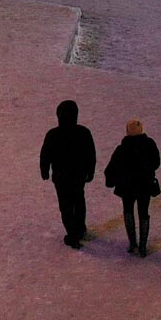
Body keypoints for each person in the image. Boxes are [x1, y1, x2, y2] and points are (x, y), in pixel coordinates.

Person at [39, 99, 97, 249]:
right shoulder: (83, 133)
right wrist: (90, 171)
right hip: (78, 176)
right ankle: (80, 228)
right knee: (78, 201)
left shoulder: (53, 135)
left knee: (65, 206)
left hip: (61, 177)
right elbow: (90, 154)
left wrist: (44, 170)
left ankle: (72, 234)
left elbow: (45, 154)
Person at [104, 120, 161, 257]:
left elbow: (111, 167)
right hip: (145, 185)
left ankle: (133, 244)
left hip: (127, 186)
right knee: (143, 212)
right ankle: (143, 246)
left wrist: (111, 180)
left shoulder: (122, 148)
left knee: (128, 211)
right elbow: (156, 162)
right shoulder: (150, 144)